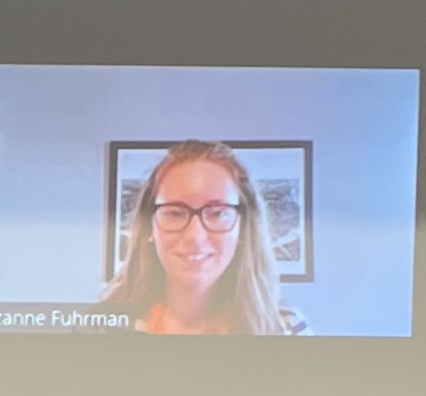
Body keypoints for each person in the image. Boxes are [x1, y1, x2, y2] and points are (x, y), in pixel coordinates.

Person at [109, 144, 303, 336]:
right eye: (175, 213)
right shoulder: (101, 327)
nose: (195, 236)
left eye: (218, 213)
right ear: (148, 226)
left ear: (244, 229)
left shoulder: (286, 330)